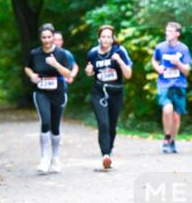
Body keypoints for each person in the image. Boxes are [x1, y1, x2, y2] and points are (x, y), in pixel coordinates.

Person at [25, 24, 74, 174]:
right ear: (40, 38)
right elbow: (27, 67)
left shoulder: (61, 53)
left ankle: (55, 158)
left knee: (55, 126)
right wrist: (32, 75)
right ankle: (45, 158)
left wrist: (56, 64)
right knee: (45, 121)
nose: (46, 40)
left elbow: (68, 74)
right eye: (44, 37)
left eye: (49, 37)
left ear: (53, 37)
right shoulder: (35, 53)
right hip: (41, 92)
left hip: (58, 92)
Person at [85, 24, 133, 169]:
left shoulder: (119, 50)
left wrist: (119, 61)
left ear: (112, 39)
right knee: (103, 124)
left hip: (116, 92)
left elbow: (128, 74)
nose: (105, 39)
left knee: (112, 125)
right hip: (99, 91)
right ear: (99, 38)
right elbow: (90, 71)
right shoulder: (93, 53)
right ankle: (105, 154)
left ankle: (109, 152)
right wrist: (88, 71)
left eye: (108, 37)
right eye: (103, 36)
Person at [151, 21, 192, 153]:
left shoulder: (183, 49)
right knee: (167, 109)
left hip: (179, 85)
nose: (166, 33)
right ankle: (167, 137)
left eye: (170, 31)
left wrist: (178, 63)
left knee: (176, 116)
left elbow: (187, 70)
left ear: (177, 34)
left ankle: (173, 141)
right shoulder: (160, 47)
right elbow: (154, 60)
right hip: (164, 84)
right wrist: (158, 68)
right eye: (166, 30)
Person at [53, 30, 80, 99]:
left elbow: (75, 66)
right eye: (55, 40)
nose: (57, 42)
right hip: (46, 87)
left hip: (61, 86)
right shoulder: (43, 53)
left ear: (62, 41)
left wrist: (71, 76)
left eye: (59, 40)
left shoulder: (66, 54)